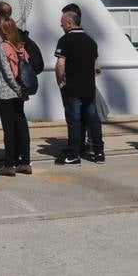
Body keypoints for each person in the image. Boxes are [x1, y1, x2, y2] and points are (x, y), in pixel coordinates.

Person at [54, 9, 103, 164]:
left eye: (62, 23)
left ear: (69, 23)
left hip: (72, 88)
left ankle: (74, 154)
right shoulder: (91, 41)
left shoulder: (65, 40)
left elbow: (60, 65)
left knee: (74, 120)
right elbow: (96, 68)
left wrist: (60, 82)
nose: (61, 26)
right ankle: (99, 153)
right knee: (93, 120)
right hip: (89, 88)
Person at [0, 12, 32, 176]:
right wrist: (22, 91)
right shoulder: (20, 46)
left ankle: (9, 164)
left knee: (9, 129)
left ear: (3, 29)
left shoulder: (3, 47)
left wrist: (16, 90)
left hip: (7, 93)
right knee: (22, 126)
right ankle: (25, 162)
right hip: (19, 92)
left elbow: (7, 74)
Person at [0, 1, 43, 76]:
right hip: (21, 77)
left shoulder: (4, 32)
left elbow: (10, 63)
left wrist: (16, 85)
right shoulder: (14, 30)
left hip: (14, 80)